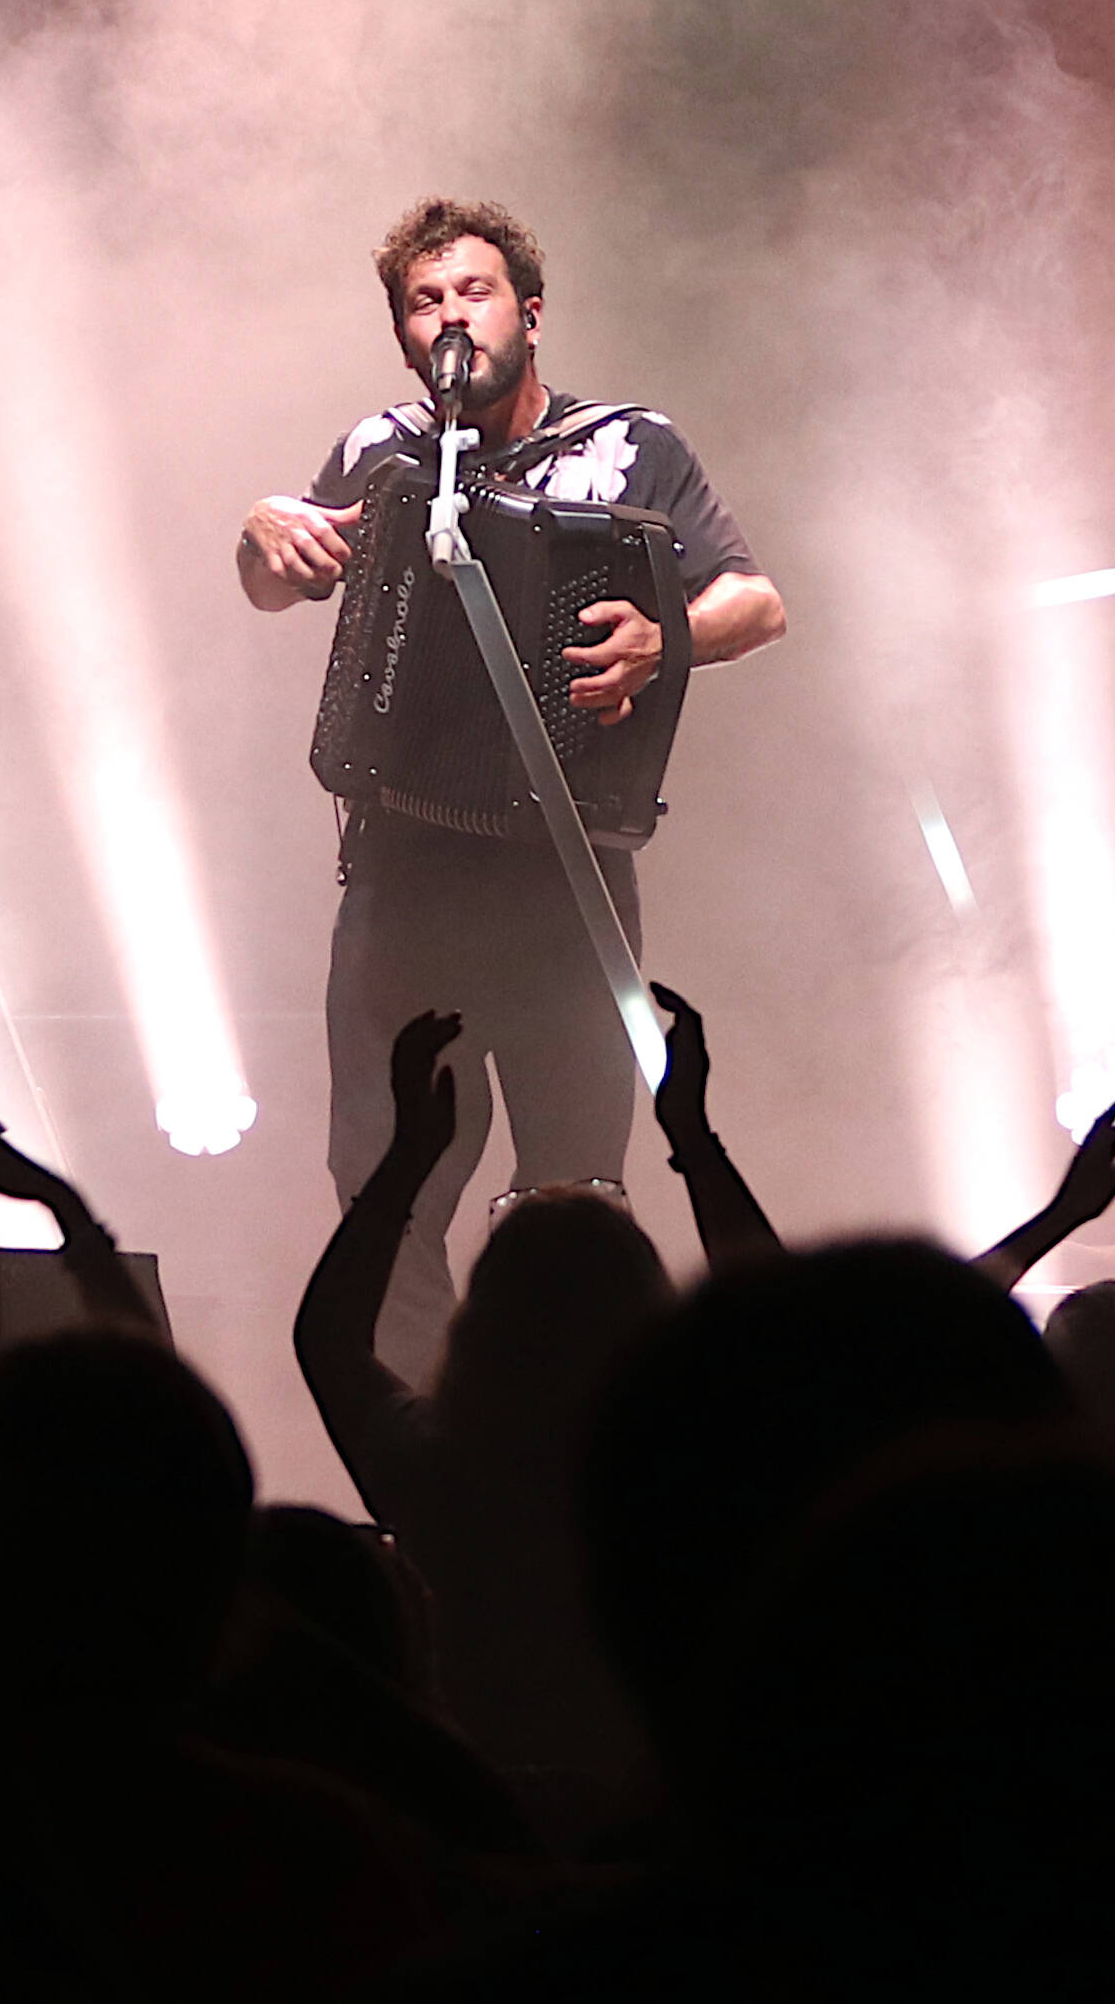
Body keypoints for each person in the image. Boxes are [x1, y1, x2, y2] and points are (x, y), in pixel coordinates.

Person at [239, 195, 783, 1370]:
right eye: (424, 301)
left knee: (573, 1203)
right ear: (401, 336)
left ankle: (571, 1464)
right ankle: (430, 1457)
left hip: (562, 874)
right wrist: (259, 530)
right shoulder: (379, 450)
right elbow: (274, 580)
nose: (450, 316)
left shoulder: (634, 445)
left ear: (529, 315)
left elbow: (756, 599)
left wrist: (662, 636)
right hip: (402, 874)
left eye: (472, 292)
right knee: (384, 1188)